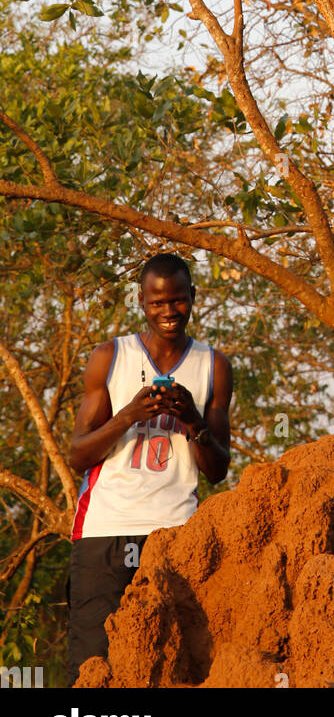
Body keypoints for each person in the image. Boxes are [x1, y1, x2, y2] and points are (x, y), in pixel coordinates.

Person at [65, 252, 232, 685]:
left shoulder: (213, 366)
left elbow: (217, 470)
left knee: (177, 662)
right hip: (106, 530)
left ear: (192, 297)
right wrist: (127, 416)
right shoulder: (109, 356)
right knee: (93, 665)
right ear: (142, 302)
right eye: (158, 303)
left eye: (177, 300)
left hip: (175, 532)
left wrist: (194, 421)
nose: (169, 312)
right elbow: (78, 455)